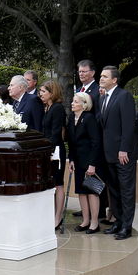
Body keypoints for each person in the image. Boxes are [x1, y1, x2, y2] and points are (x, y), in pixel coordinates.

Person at [98, 66, 138, 240]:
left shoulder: (124, 96)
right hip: (109, 154)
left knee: (126, 191)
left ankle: (126, 227)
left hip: (123, 154)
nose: (101, 78)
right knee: (113, 190)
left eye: (105, 76)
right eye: (101, 76)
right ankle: (118, 222)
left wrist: (124, 149)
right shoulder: (103, 98)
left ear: (114, 80)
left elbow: (129, 126)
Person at [67, 92, 103, 233]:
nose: (72, 103)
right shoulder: (71, 118)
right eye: (73, 101)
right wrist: (71, 160)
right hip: (78, 161)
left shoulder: (89, 118)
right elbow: (71, 142)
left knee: (92, 192)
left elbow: (96, 142)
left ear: (84, 104)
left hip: (90, 162)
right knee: (81, 192)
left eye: (75, 101)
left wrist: (92, 164)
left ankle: (94, 222)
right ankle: (85, 220)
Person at [40, 80, 67, 229]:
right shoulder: (48, 107)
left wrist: (49, 149)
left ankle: (58, 216)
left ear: (52, 92)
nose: (41, 94)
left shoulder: (57, 108)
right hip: (48, 150)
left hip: (55, 150)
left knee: (58, 182)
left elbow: (56, 132)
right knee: (51, 182)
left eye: (43, 91)